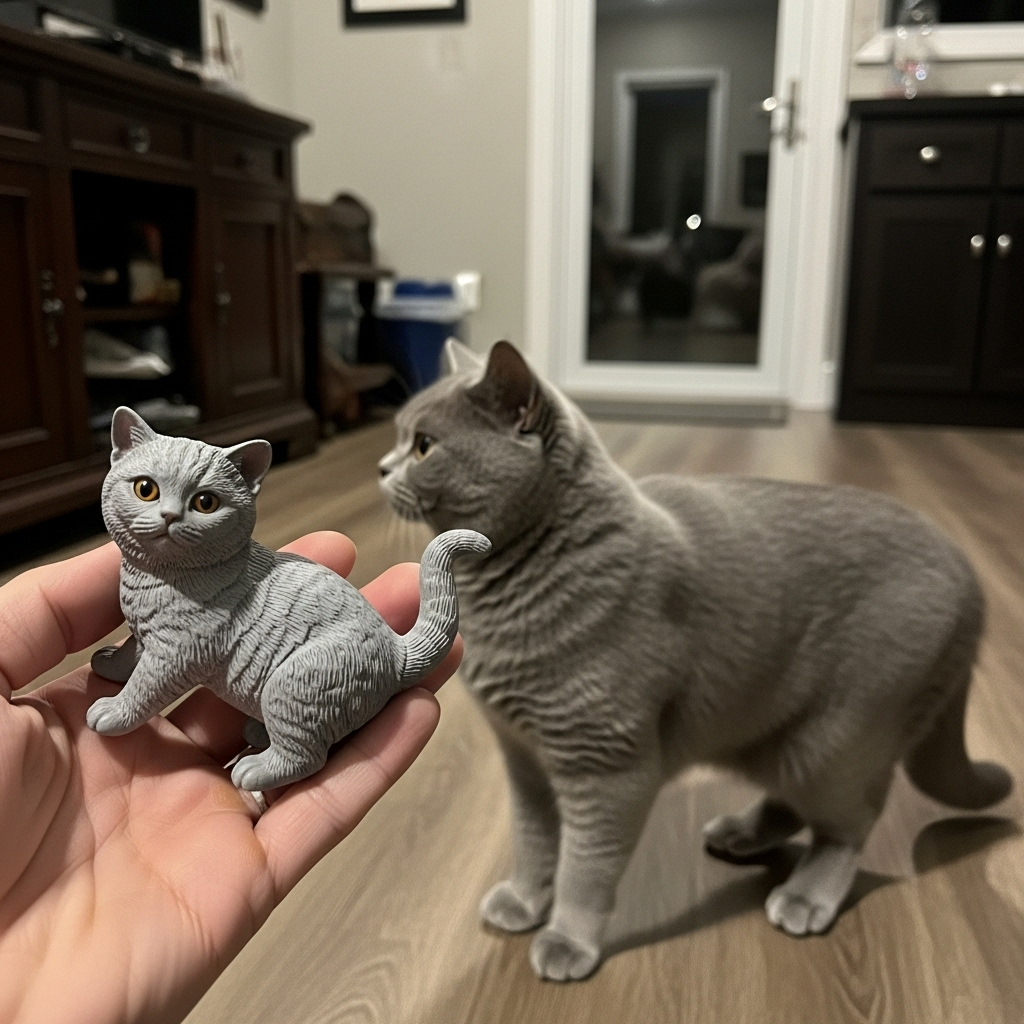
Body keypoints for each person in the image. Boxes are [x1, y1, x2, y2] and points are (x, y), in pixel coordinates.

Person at [0, 532, 458, 1024]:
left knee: (292, 683)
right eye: (147, 494)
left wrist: (130, 706)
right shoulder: (153, 563)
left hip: (336, 658)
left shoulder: (210, 573)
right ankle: (288, 724)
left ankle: (298, 750)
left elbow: (178, 654)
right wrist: (132, 661)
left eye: (204, 502)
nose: (168, 516)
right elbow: (162, 625)